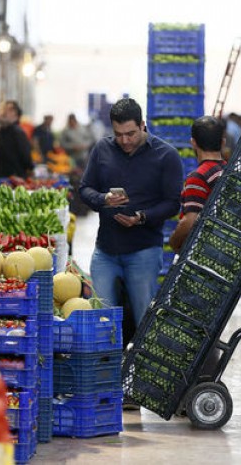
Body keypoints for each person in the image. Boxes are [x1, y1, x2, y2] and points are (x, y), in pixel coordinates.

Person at [79, 97, 183, 329]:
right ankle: (106, 364)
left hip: (143, 251)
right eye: (118, 134)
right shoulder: (102, 149)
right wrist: (103, 199)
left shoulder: (166, 156)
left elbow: (173, 203)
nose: (125, 140)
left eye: (131, 134)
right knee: (101, 321)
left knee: (144, 318)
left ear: (142, 125)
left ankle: (139, 364)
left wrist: (141, 217)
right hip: (105, 250)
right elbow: (84, 188)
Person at [169, 116, 227, 253]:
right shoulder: (228, 171)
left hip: (205, 251)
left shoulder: (198, 177)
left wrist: (173, 241)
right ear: (223, 142)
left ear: (193, 143)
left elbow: (190, 221)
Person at [0, 100, 34, 179]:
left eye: (9, 109)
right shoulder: (1, 131)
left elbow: (26, 159)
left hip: (15, 181)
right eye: (4, 108)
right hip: (0, 180)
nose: (4, 111)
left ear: (16, 115)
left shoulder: (18, 133)